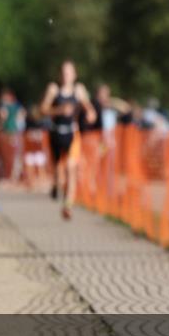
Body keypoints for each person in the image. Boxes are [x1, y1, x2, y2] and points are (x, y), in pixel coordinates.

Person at [40, 60, 96, 220]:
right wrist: (59, 110)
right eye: (64, 72)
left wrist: (91, 114)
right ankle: (55, 185)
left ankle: (68, 205)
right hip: (56, 133)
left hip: (72, 133)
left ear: (74, 75)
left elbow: (89, 109)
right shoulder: (53, 89)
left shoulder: (79, 90)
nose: (66, 76)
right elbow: (42, 109)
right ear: (60, 75)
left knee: (71, 168)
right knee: (58, 172)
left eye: (69, 72)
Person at [0, 88, 25, 183]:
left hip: (9, 132)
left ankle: (12, 176)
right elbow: (21, 116)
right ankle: (15, 176)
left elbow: (3, 116)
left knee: (10, 155)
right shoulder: (18, 106)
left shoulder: (5, 106)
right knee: (16, 155)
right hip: (16, 132)